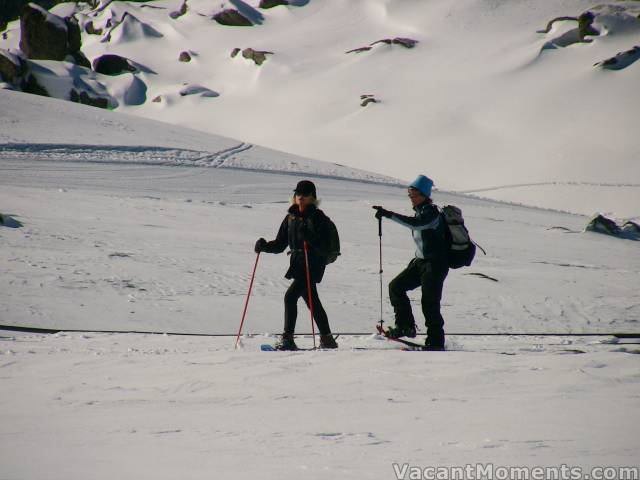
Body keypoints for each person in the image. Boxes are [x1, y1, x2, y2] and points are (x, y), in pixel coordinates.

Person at [254, 180, 338, 351]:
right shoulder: (290, 217)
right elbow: (280, 244)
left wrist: (310, 238)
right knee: (312, 302)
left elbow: (324, 248)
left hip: (313, 265)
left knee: (290, 296)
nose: (301, 197)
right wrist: (264, 246)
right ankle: (327, 339)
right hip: (298, 264)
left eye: (305, 194)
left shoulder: (319, 218)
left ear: (313, 197)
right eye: (298, 194)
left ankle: (288, 339)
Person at [373, 175, 449, 351]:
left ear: (424, 195)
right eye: (409, 195)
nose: (411, 198)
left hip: (435, 264)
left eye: (414, 195)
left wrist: (389, 214)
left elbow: (417, 225)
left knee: (430, 302)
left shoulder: (431, 212)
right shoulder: (421, 211)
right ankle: (406, 326)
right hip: (421, 263)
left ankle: (436, 341)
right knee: (396, 287)